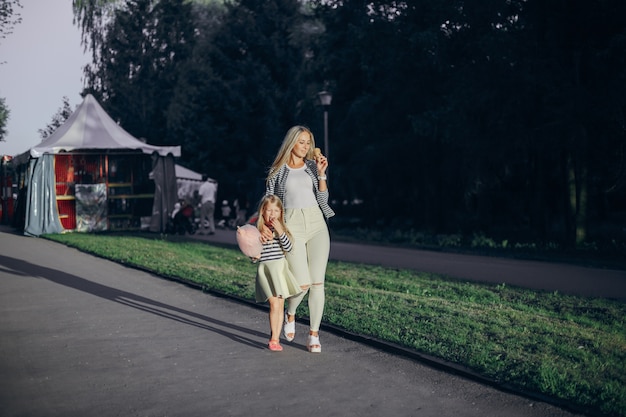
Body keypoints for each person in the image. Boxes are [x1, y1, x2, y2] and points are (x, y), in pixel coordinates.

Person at [263, 125, 334, 353]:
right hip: (291, 225)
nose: (305, 147)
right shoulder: (278, 170)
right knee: (302, 284)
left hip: (316, 224)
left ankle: (314, 334)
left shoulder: (313, 167)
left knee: (318, 284)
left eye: (308, 143)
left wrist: (322, 174)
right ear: (292, 143)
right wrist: (267, 226)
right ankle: (290, 312)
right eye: (301, 142)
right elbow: (269, 201)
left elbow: (323, 200)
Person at [251, 195, 302, 352]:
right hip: (265, 270)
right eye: (268, 210)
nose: (272, 214)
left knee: (279, 304)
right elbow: (252, 254)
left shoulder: (282, 230)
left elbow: (289, 248)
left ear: (281, 213)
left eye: (276, 211)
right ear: (262, 211)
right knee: (273, 304)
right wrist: (254, 254)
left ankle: (275, 338)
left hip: (278, 270)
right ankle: (273, 338)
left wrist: (280, 231)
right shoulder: (258, 230)